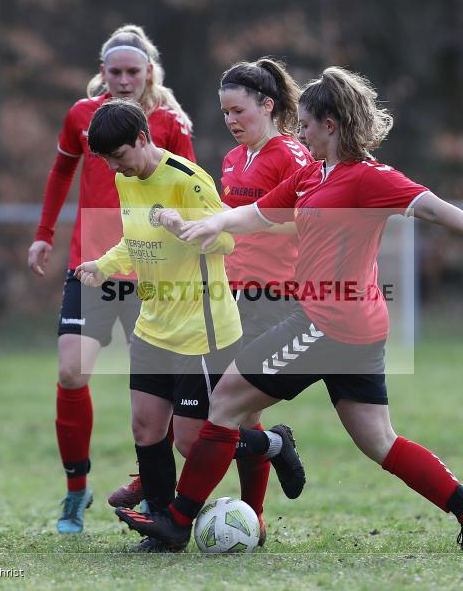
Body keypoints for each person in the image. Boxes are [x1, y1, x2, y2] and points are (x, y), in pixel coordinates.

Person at [115, 67, 463, 552]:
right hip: (356, 328)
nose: (300, 131)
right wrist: (211, 225)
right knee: (379, 441)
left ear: (332, 124)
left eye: (306, 123)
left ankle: (177, 522)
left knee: (223, 403)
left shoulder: (368, 177)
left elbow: (429, 205)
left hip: (327, 326)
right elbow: (259, 213)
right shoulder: (313, 174)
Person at [74, 98, 305, 552]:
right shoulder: (126, 179)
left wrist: (183, 227)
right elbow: (135, 240)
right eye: (105, 161)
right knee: (145, 427)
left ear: (142, 138)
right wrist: (103, 265)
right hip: (152, 324)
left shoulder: (188, 181)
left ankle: (274, 445)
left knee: (191, 441)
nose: (114, 167)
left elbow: (226, 239)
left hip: (202, 330)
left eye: (119, 155)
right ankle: (161, 521)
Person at [26, 24, 194, 535]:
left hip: (150, 271)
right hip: (93, 266)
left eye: (133, 72)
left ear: (149, 73)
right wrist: (44, 233)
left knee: (156, 393)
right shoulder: (81, 115)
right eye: (115, 72)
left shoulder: (168, 122)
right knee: (73, 371)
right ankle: (77, 490)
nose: (124, 80)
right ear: (103, 73)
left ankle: (152, 488)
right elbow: (60, 174)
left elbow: (191, 191)